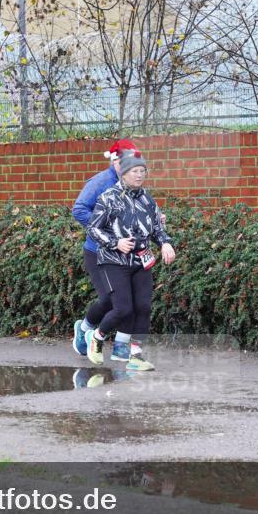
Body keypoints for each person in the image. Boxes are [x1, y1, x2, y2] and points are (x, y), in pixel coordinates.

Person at [84, 150, 175, 371]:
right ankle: (97, 337)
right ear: (123, 174)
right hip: (113, 261)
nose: (139, 175)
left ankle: (135, 356)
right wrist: (115, 243)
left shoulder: (147, 199)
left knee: (143, 307)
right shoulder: (108, 197)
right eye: (134, 171)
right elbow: (93, 228)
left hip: (140, 261)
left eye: (142, 171)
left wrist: (165, 242)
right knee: (123, 309)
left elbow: (156, 227)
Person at [71, 139, 143, 363]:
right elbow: (79, 209)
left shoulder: (131, 182)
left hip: (124, 253)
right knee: (110, 299)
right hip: (98, 252)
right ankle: (84, 329)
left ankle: (120, 351)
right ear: (116, 161)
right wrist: (106, 229)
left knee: (126, 301)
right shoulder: (101, 182)